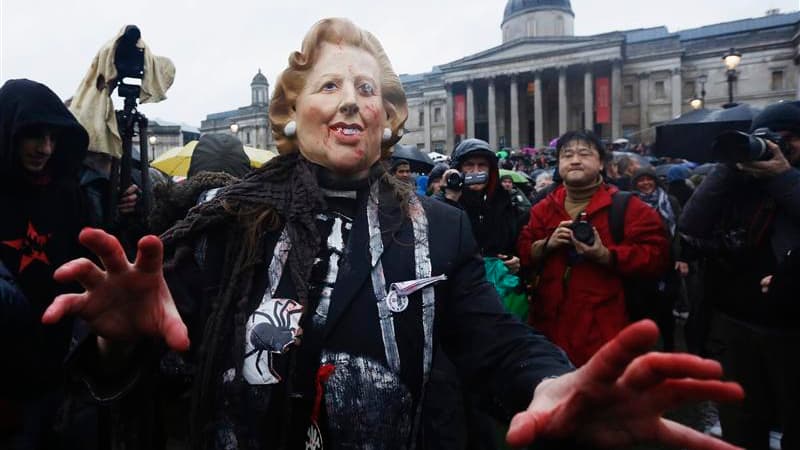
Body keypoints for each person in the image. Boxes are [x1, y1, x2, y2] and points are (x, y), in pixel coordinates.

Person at [44, 19, 742, 450]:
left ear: (388, 118)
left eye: (369, 89)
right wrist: (115, 340)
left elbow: (497, 345)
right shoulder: (230, 223)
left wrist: (554, 382)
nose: (352, 99)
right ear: (290, 115)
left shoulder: (441, 227)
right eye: (329, 86)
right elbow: (155, 370)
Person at [679, 100, 800, 450]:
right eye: (769, 137)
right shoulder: (738, 180)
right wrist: (731, 164)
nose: (778, 146)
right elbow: (691, 224)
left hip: (792, 330)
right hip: (735, 323)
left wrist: (783, 177)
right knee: (741, 428)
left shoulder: (788, 178)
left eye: (789, 138)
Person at [517, 130, 671, 366]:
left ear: (601, 163)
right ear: (558, 165)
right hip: (549, 329)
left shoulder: (628, 208)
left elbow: (658, 256)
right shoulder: (543, 208)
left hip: (604, 333)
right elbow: (523, 249)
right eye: (567, 155)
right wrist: (546, 245)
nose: (575, 160)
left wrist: (607, 256)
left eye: (584, 154)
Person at [0, 79, 91, 449]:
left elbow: (88, 256)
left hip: (57, 373)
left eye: (53, 137)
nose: (46, 148)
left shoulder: (67, 193)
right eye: (33, 135)